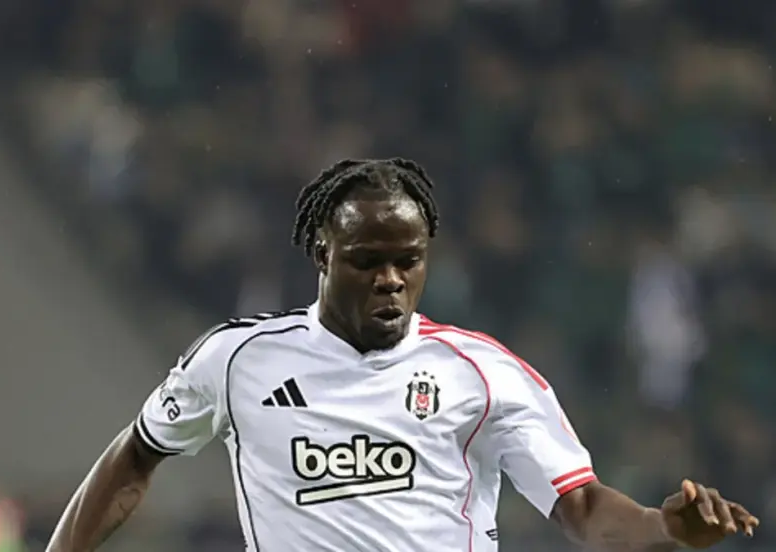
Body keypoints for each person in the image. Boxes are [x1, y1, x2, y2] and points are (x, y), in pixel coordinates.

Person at [46, 158, 759, 552]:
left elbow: (583, 507)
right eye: (367, 260)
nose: (391, 278)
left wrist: (662, 529)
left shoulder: (484, 374)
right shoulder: (237, 360)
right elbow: (137, 455)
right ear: (322, 255)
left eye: (408, 260)